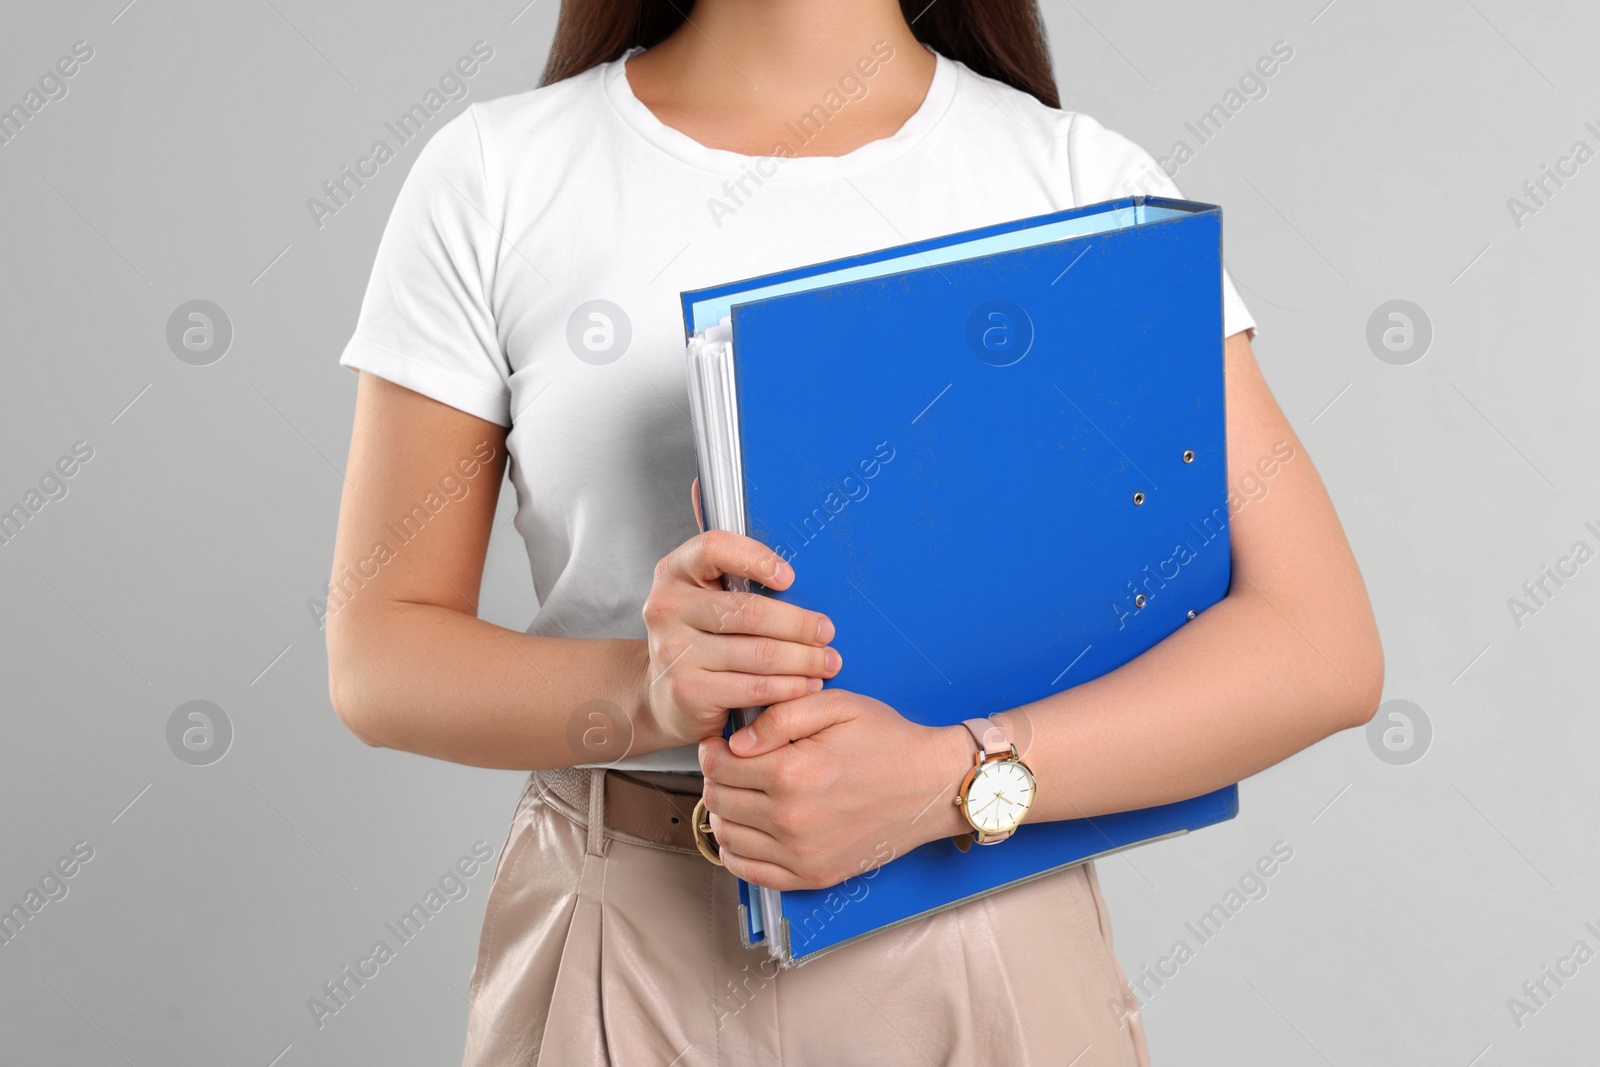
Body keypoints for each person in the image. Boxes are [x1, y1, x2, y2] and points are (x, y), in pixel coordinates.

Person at [326, 1, 1384, 1063]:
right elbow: (379, 653)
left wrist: (952, 775)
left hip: (981, 928)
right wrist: (643, 692)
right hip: (619, 930)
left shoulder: (1080, 186)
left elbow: (1318, 643)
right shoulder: (497, 175)